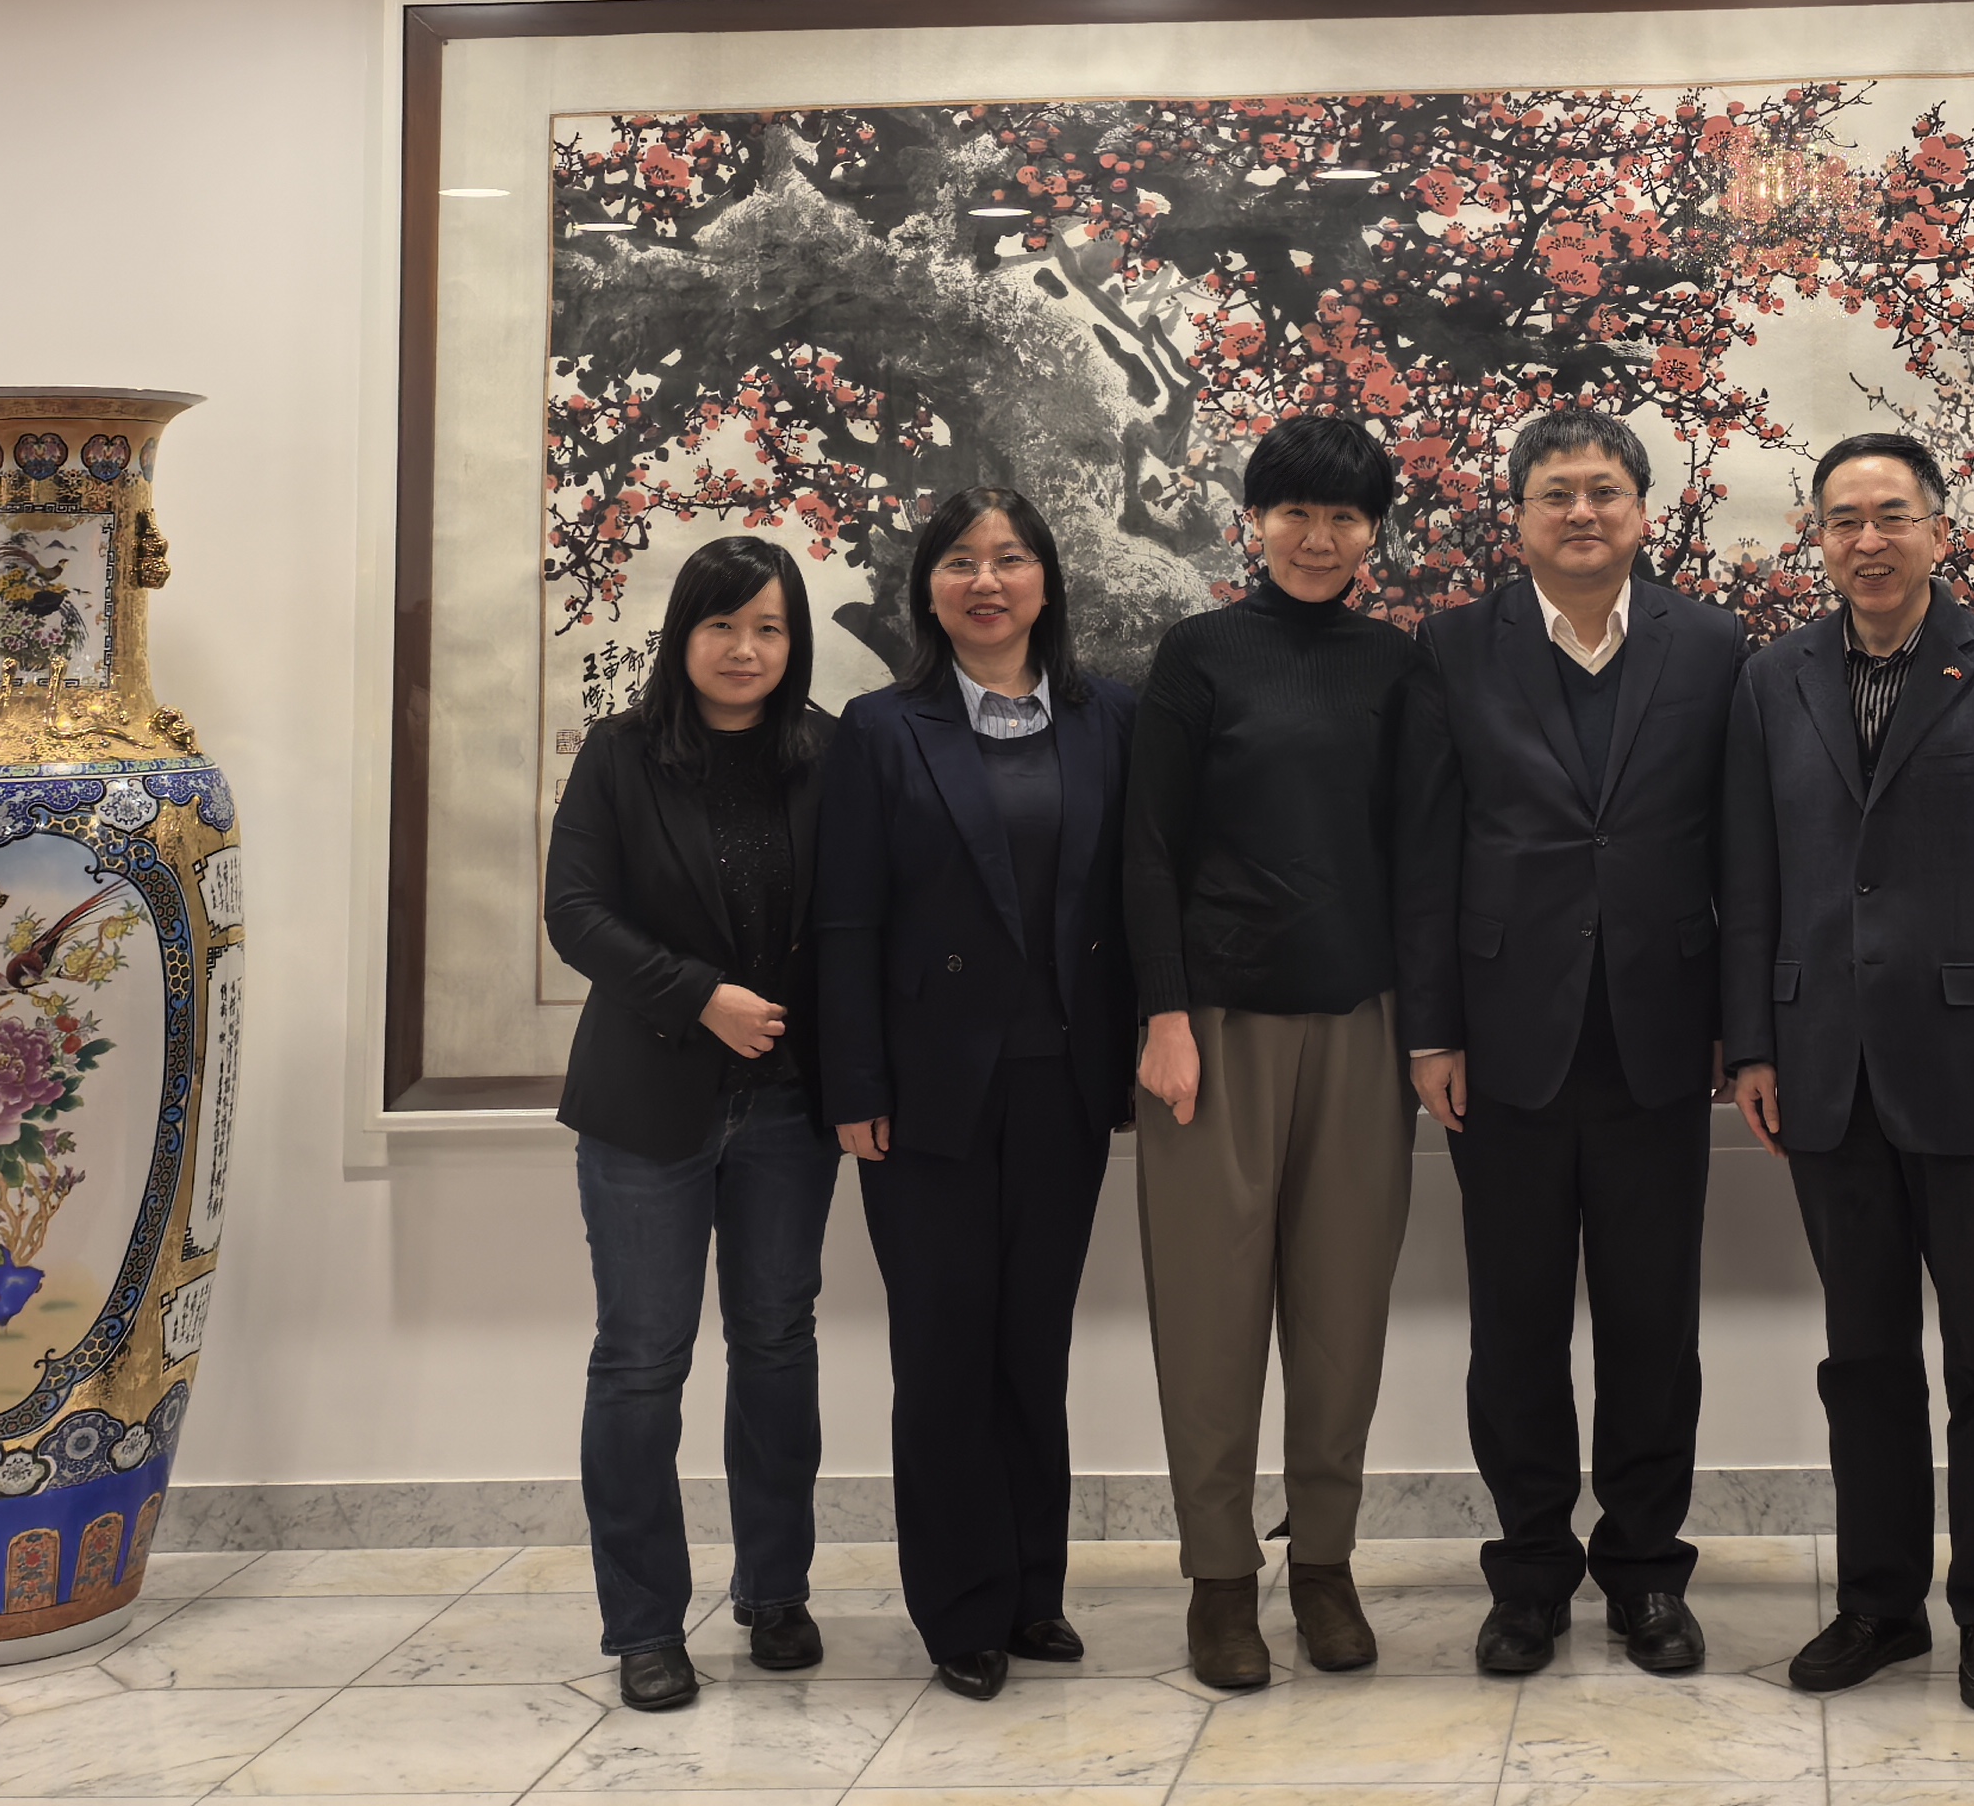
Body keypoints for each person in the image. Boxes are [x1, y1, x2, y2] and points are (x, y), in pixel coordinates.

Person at [1724, 433, 1974, 1714]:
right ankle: (1879, 1606)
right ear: (1817, 539)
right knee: (1862, 1356)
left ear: (1940, 529)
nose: (1867, 541)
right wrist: (1754, 1043)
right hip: (1823, 1070)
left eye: (1891, 515)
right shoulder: (1771, 679)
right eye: (1843, 520)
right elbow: (1749, 875)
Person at [1393, 407, 1746, 1680]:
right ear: (1519, 516)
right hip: (1504, 1043)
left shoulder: (1713, 644)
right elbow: (1426, 851)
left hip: (1661, 1035)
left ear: (1644, 511)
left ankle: (1646, 1572)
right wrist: (1430, 1029)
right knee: (1516, 1327)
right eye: (1556, 493)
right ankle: (1531, 1573)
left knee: (1654, 1326)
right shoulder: (1452, 647)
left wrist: (1739, 1023)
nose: (1581, 512)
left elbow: (1742, 848)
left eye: (1604, 491)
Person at [814, 488, 1137, 1700]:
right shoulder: (879, 728)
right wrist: (853, 1081)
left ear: (1046, 582)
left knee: (1031, 1348)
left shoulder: (1111, 718)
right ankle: (958, 1609)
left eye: (1009, 559)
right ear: (928, 590)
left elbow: (1132, 897)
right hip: (924, 1093)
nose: (986, 580)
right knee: (944, 1351)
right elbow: (844, 921)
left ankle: (1031, 1592)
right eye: (959, 561)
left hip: (1064, 1084)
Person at [1118, 414, 1423, 1693]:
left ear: (1372, 534)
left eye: (1345, 516)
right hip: (1215, 1030)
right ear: (1254, 521)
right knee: (1209, 1316)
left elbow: (1421, 853)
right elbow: (1145, 847)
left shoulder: (1396, 664)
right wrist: (1163, 1016)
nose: (1318, 537)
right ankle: (1219, 1580)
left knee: (1343, 1316)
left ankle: (1325, 1567)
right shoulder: (1199, 655)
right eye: (1295, 511)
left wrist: (1428, 1029)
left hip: (1362, 1025)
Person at [542, 534, 843, 1714]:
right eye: (723, 624)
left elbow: (858, 916)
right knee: (640, 1360)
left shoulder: (828, 753)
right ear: (684, 633)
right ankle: (644, 1626)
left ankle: (775, 1592)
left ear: (793, 641)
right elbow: (574, 912)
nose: (745, 649)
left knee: (776, 1344)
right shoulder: (621, 753)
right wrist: (698, 996)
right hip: (646, 1103)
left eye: (769, 628)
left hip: (790, 1104)